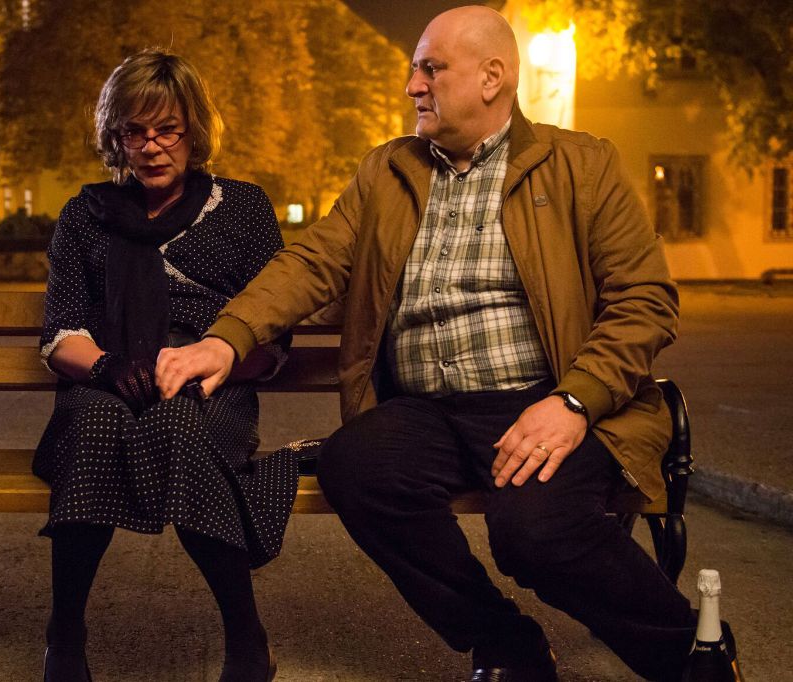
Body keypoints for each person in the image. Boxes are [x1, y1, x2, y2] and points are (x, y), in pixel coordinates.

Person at [156, 6, 740, 681]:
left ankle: (691, 654)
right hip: (426, 412)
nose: (413, 86)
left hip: (545, 399)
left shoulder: (581, 165)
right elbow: (312, 262)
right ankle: (506, 644)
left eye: (430, 69)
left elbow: (645, 301)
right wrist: (227, 339)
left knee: (533, 532)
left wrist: (575, 401)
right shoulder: (388, 171)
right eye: (414, 70)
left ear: (492, 78)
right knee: (356, 466)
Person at [34, 48, 296, 682]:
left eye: (168, 130)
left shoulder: (244, 208)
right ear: (116, 136)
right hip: (111, 374)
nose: (152, 147)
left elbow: (273, 330)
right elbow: (60, 331)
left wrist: (214, 359)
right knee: (94, 425)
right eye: (135, 131)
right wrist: (105, 368)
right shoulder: (85, 215)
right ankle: (64, 635)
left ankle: (246, 635)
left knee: (177, 426)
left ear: (193, 131)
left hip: (211, 381)